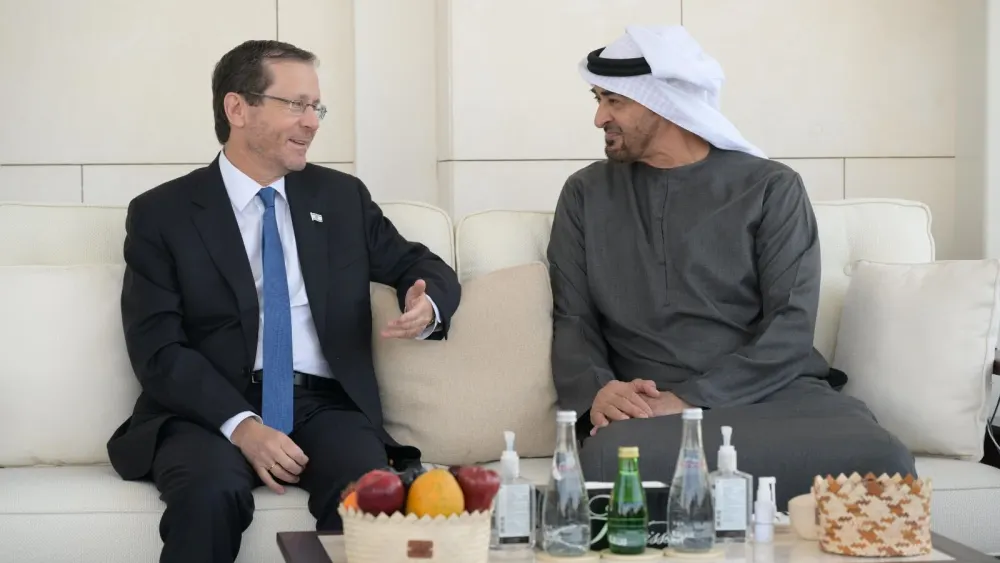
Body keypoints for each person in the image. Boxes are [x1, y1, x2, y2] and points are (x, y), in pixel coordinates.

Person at [105, 40, 461, 563]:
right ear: (238, 109)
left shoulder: (340, 198)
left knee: (371, 497)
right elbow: (157, 348)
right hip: (207, 409)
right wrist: (243, 426)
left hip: (323, 406)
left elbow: (421, 264)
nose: (313, 122)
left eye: (316, 107)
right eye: (296, 104)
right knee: (209, 495)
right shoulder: (164, 214)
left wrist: (426, 304)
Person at [547, 25, 916, 510]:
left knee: (881, 456)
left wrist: (693, 397)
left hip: (772, 394)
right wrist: (602, 392)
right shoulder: (585, 194)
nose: (599, 117)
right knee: (614, 464)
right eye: (598, 99)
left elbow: (790, 326)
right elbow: (573, 320)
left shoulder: (771, 188)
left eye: (614, 101)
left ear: (662, 100)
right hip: (649, 405)